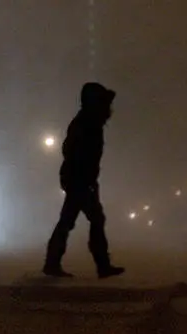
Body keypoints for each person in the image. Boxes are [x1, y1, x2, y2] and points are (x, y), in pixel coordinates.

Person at [43, 82, 125, 279]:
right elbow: (72, 151)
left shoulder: (90, 123)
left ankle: (54, 263)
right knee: (89, 219)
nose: (109, 108)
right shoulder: (86, 124)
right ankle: (100, 266)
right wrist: (84, 177)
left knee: (71, 220)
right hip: (79, 180)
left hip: (80, 179)